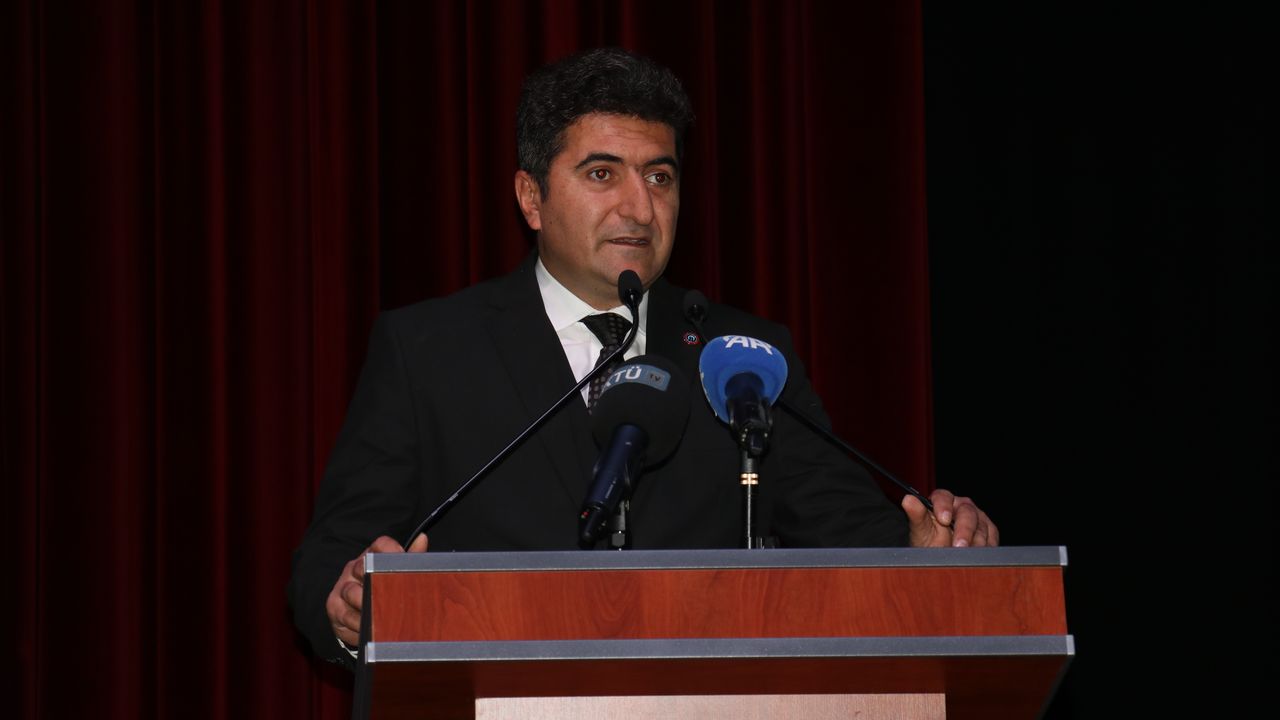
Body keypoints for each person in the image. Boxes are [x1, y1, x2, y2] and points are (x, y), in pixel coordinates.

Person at [288, 47, 997, 668]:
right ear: (531, 197)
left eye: (659, 177)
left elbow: (851, 536)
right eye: (602, 174)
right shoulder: (430, 349)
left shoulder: (739, 355)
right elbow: (333, 557)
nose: (639, 208)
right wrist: (346, 604)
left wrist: (925, 550)